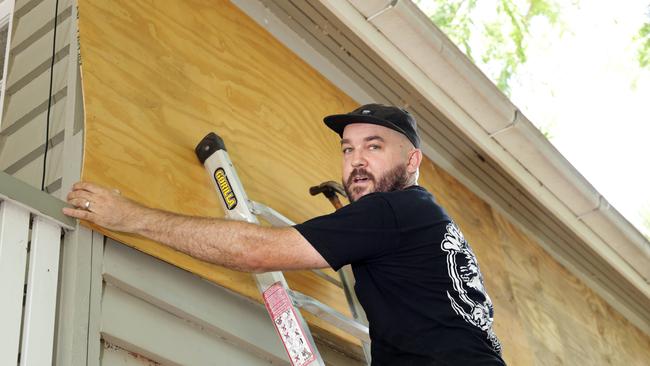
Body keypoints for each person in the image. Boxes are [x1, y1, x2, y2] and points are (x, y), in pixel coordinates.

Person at [63, 104, 505, 365]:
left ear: (412, 162)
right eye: (348, 149)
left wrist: (131, 217)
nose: (356, 161)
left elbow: (256, 251)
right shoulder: (424, 219)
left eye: (374, 146)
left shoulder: (392, 211)